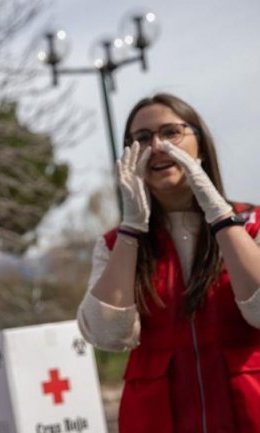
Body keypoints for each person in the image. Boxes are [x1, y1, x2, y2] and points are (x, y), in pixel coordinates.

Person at [76, 93, 260, 433]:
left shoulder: (254, 224)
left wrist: (220, 215)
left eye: (171, 132)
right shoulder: (114, 245)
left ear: (201, 145)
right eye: (142, 139)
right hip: (159, 418)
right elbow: (106, 334)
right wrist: (132, 227)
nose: (158, 146)